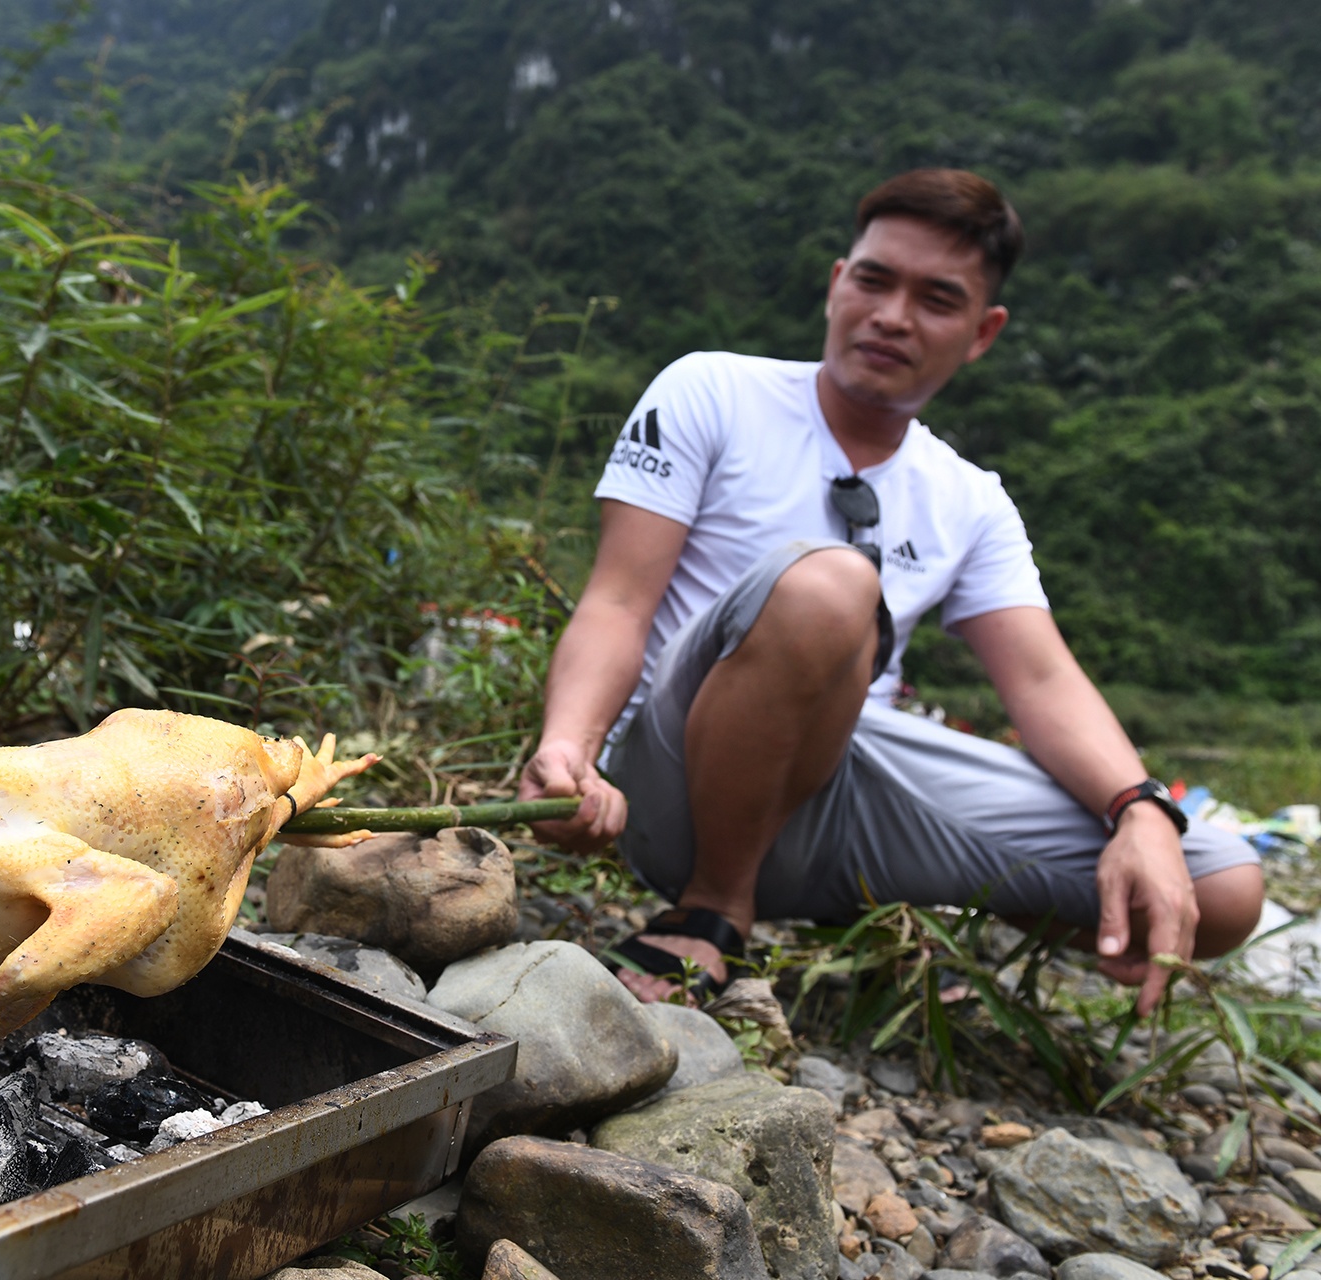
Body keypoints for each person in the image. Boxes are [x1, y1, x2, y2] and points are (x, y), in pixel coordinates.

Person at [518, 168, 1263, 1015]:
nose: (892, 316)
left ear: (982, 332)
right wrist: (567, 748)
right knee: (833, 585)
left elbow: (1043, 680)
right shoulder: (713, 393)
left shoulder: (968, 498)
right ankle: (715, 904)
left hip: (837, 789)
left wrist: (1142, 814)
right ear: (839, 282)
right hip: (670, 782)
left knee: (1227, 883)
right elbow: (618, 602)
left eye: (937, 299)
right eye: (874, 280)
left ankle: (889, 908)